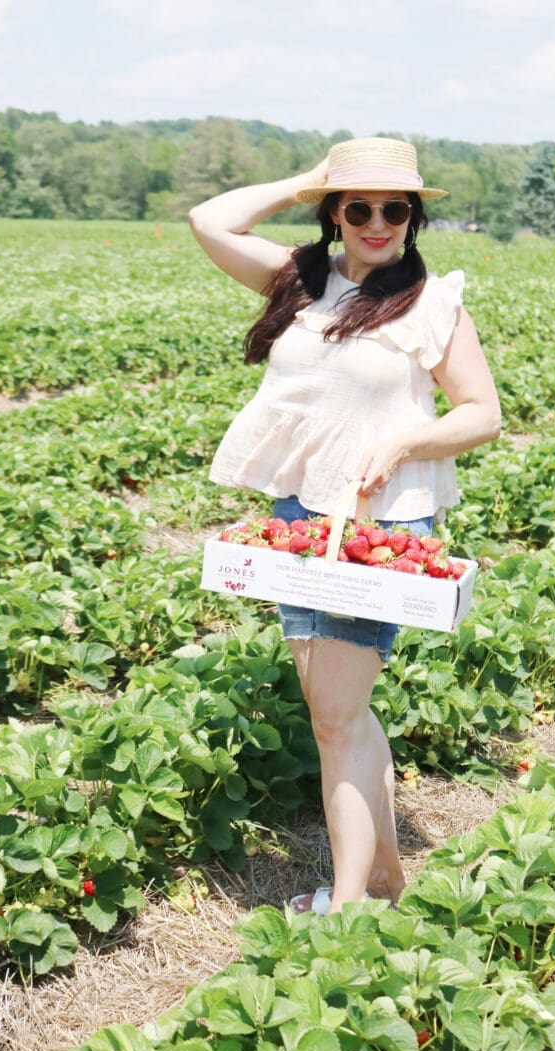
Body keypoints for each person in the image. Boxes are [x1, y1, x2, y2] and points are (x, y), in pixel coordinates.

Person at [189, 137, 501, 916]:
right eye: (358, 206)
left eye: (394, 208)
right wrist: (306, 182)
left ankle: (353, 904)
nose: (377, 222)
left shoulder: (434, 301)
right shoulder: (301, 279)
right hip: (298, 517)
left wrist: (404, 441)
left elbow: (482, 413)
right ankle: (388, 878)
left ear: (412, 217)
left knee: (333, 715)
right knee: (340, 713)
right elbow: (208, 218)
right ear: (336, 211)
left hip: (379, 526)